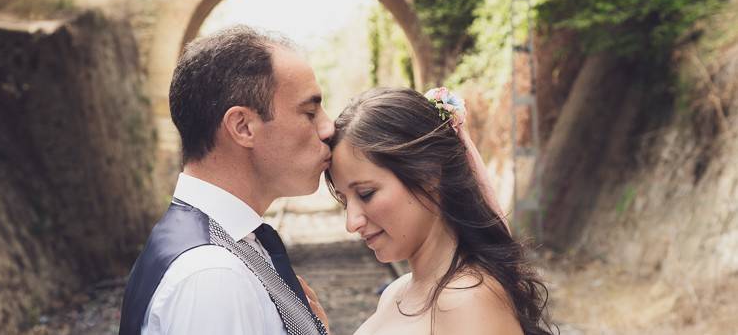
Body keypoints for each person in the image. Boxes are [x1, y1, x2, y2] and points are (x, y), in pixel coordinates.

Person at [119, 26, 332, 335]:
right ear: (243, 126)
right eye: (310, 112)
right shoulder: (213, 276)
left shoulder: (217, 247)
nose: (328, 128)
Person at [327, 87, 555, 335]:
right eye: (344, 200)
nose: (352, 223)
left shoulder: (467, 301)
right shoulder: (396, 292)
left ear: (428, 173)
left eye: (365, 194)